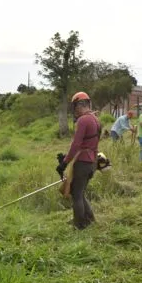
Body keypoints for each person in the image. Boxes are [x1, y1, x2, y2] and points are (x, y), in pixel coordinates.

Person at [56, 91, 100, 230]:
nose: (74, 110)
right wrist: (66, 157)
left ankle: (79, 225)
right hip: (92, 162)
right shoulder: (95, 119)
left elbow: (76, 144)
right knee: (80, 192)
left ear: (80, 105)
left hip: (83, 163)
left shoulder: (83, 120)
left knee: (76, 194)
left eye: (75, 107)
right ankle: (89, 219)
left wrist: (64, 163)